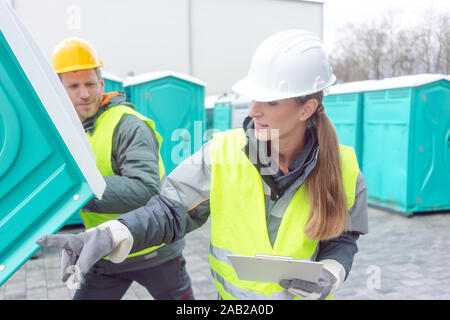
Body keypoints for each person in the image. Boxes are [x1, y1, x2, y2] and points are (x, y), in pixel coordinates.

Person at [38, 30, 368, 300]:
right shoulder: (223, 151)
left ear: (306, 109)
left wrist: (334, 270)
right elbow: (167, 211)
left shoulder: (345, 166)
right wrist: (112, 233)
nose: (253, 111)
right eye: (253, 98)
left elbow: (343, 237)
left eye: (269, 101)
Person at [46, 37, 194, 300]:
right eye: (74, 86)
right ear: (59, 90)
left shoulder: (129, 125)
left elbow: (145, 190)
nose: (84, 93)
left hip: (154, 250)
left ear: (101, 84)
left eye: (90, 84)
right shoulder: (68, 132)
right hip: (105, 252)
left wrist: (76, 187)